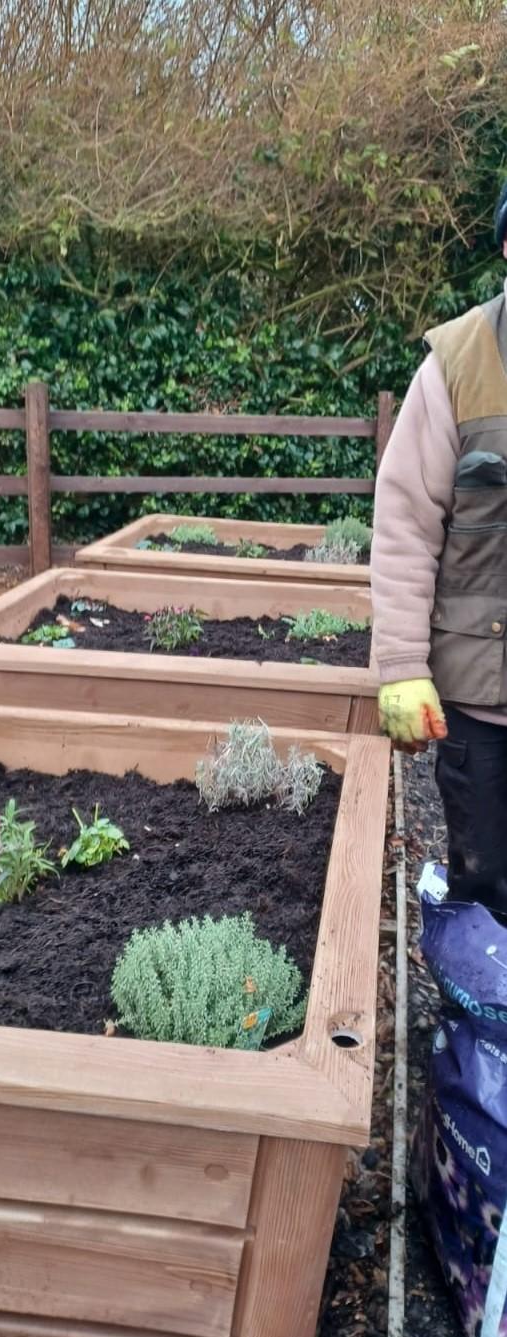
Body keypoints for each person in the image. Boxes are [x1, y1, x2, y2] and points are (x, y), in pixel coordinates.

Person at [372, 179, 507, 922]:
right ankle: (481, 1027)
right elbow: (403, 525)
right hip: (481, 697)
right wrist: (399, 666)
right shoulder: (455, 364)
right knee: (486, 886)